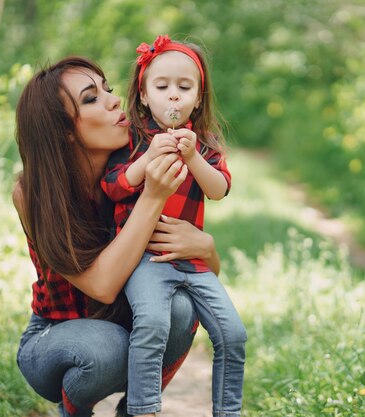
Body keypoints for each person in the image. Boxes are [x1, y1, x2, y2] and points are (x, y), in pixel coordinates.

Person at [13, 56, 222, 417]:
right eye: (91, 98)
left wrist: (208, 249)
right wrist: (154, 197)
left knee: (182, 307)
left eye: (108, 89)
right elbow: (103, 286)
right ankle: (74, 411)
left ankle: (135, 410)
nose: (113, 101)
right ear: (62, 129)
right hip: (54, 337)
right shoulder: (33, 192)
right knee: (105, 349)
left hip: (119, 322)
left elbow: (196, 277)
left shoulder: (134, 170)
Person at [100, 35, 247, 417]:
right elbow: (114, 186)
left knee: (233, 333)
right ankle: (143, 409)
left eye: (185, 88)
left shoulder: (207, 144)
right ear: (145, 95)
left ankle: (228, 411)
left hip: (192, 261)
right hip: (146, 260)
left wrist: (193, 155)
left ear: (199, 97)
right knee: (151, 325)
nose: (173, 96)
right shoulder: (132, 138)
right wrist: (148, 157)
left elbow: (219, 189)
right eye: (162, 86)